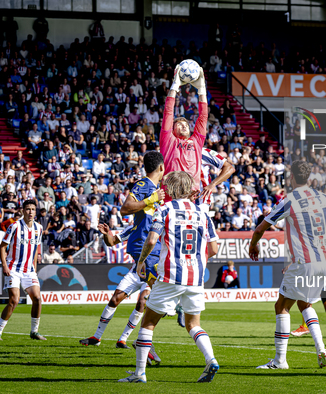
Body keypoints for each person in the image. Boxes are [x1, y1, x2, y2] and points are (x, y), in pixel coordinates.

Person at [249, 160, 326, 370]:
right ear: (309, 178)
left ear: (291, 177)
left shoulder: (289, 200)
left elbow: (260, 229)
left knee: (281, 307)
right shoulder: (325, 199)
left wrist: (253, 245)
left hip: (305, 262)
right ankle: (321, 348)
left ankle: (279, 361)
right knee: (305, 304)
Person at [119, 171, 220, 384]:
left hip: (170, 275)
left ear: (171, 189)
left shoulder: (164, 209)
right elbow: (214, 248)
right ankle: (210, 359)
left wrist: (140, 262)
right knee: (194, 324)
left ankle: (139, 373)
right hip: (196, 277)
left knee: (147, 323)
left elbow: (151, 240)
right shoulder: (202, 212)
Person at [79, 152, 166, 354]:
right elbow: (112, 240)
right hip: (140, 264)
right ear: (160, 168)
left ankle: (125, 339)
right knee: (116, 298)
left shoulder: (155, 215)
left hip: (152, 260)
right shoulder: (141, 213)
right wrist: (106, 234)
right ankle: (97, 337)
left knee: (144, 300)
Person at [0, 200, 45, 341]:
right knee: (14, 300)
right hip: (13, 268)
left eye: (33, 209)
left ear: (36, 212)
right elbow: (3, 246)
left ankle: (34, 331)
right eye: (27, 209)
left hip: (29, 270)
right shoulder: (15, 226)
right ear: (23, 211)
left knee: (37, 299)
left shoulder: (39, 228)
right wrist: (4, 265)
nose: (30, 212)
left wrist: (35, 266)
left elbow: (35, 249)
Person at [160, 63, 208, 201]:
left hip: (191, 196)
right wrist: (175, 86)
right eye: (179, 124)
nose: (183, 126)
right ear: (172, 129)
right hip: (170, 193)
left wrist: (201, 89)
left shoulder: (196, 141)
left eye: (185, 124)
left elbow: (203, 116)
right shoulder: (168, 140)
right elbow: (168, 111)